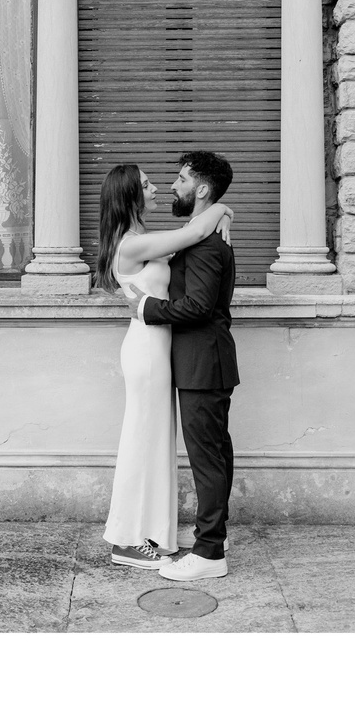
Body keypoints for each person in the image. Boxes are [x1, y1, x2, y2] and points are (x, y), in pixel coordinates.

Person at [97, 163, 232, 570]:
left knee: (156, 442)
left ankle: (150, 534)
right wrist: (223, 209)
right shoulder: (130, 244)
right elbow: (193, 232)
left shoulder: (146, 239)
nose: (157, 187)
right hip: (146, 350)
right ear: (130, 197)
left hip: (161, 349)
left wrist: (223, 210)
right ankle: (125, 540)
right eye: (146, 185)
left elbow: (192, 236)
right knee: (141, 440)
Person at [139, 151, 243, 583]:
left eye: (182, 180)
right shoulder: (203, 234)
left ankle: (208, 553)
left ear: (201, 190)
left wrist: (147, 307)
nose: (174, 186)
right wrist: (223, 209)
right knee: (215, 454)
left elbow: (198, 307)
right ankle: (210, 543)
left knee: (208, 459)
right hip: (205, 362)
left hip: (204, 362)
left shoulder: (204, 245)